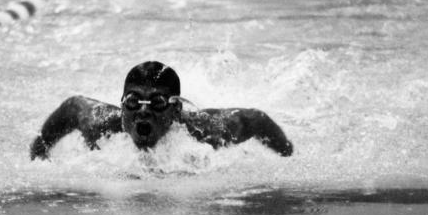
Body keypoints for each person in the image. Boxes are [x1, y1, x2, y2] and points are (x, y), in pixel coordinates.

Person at [30, 61, 293, 160]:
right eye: (133, 102)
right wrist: (39, 157)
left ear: (175, 110)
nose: (143, 113)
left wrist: (288, 156)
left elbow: (255, 119)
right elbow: (72, 106)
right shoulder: (99, 125)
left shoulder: (205, 131)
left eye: (156, 103)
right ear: (122, 104)